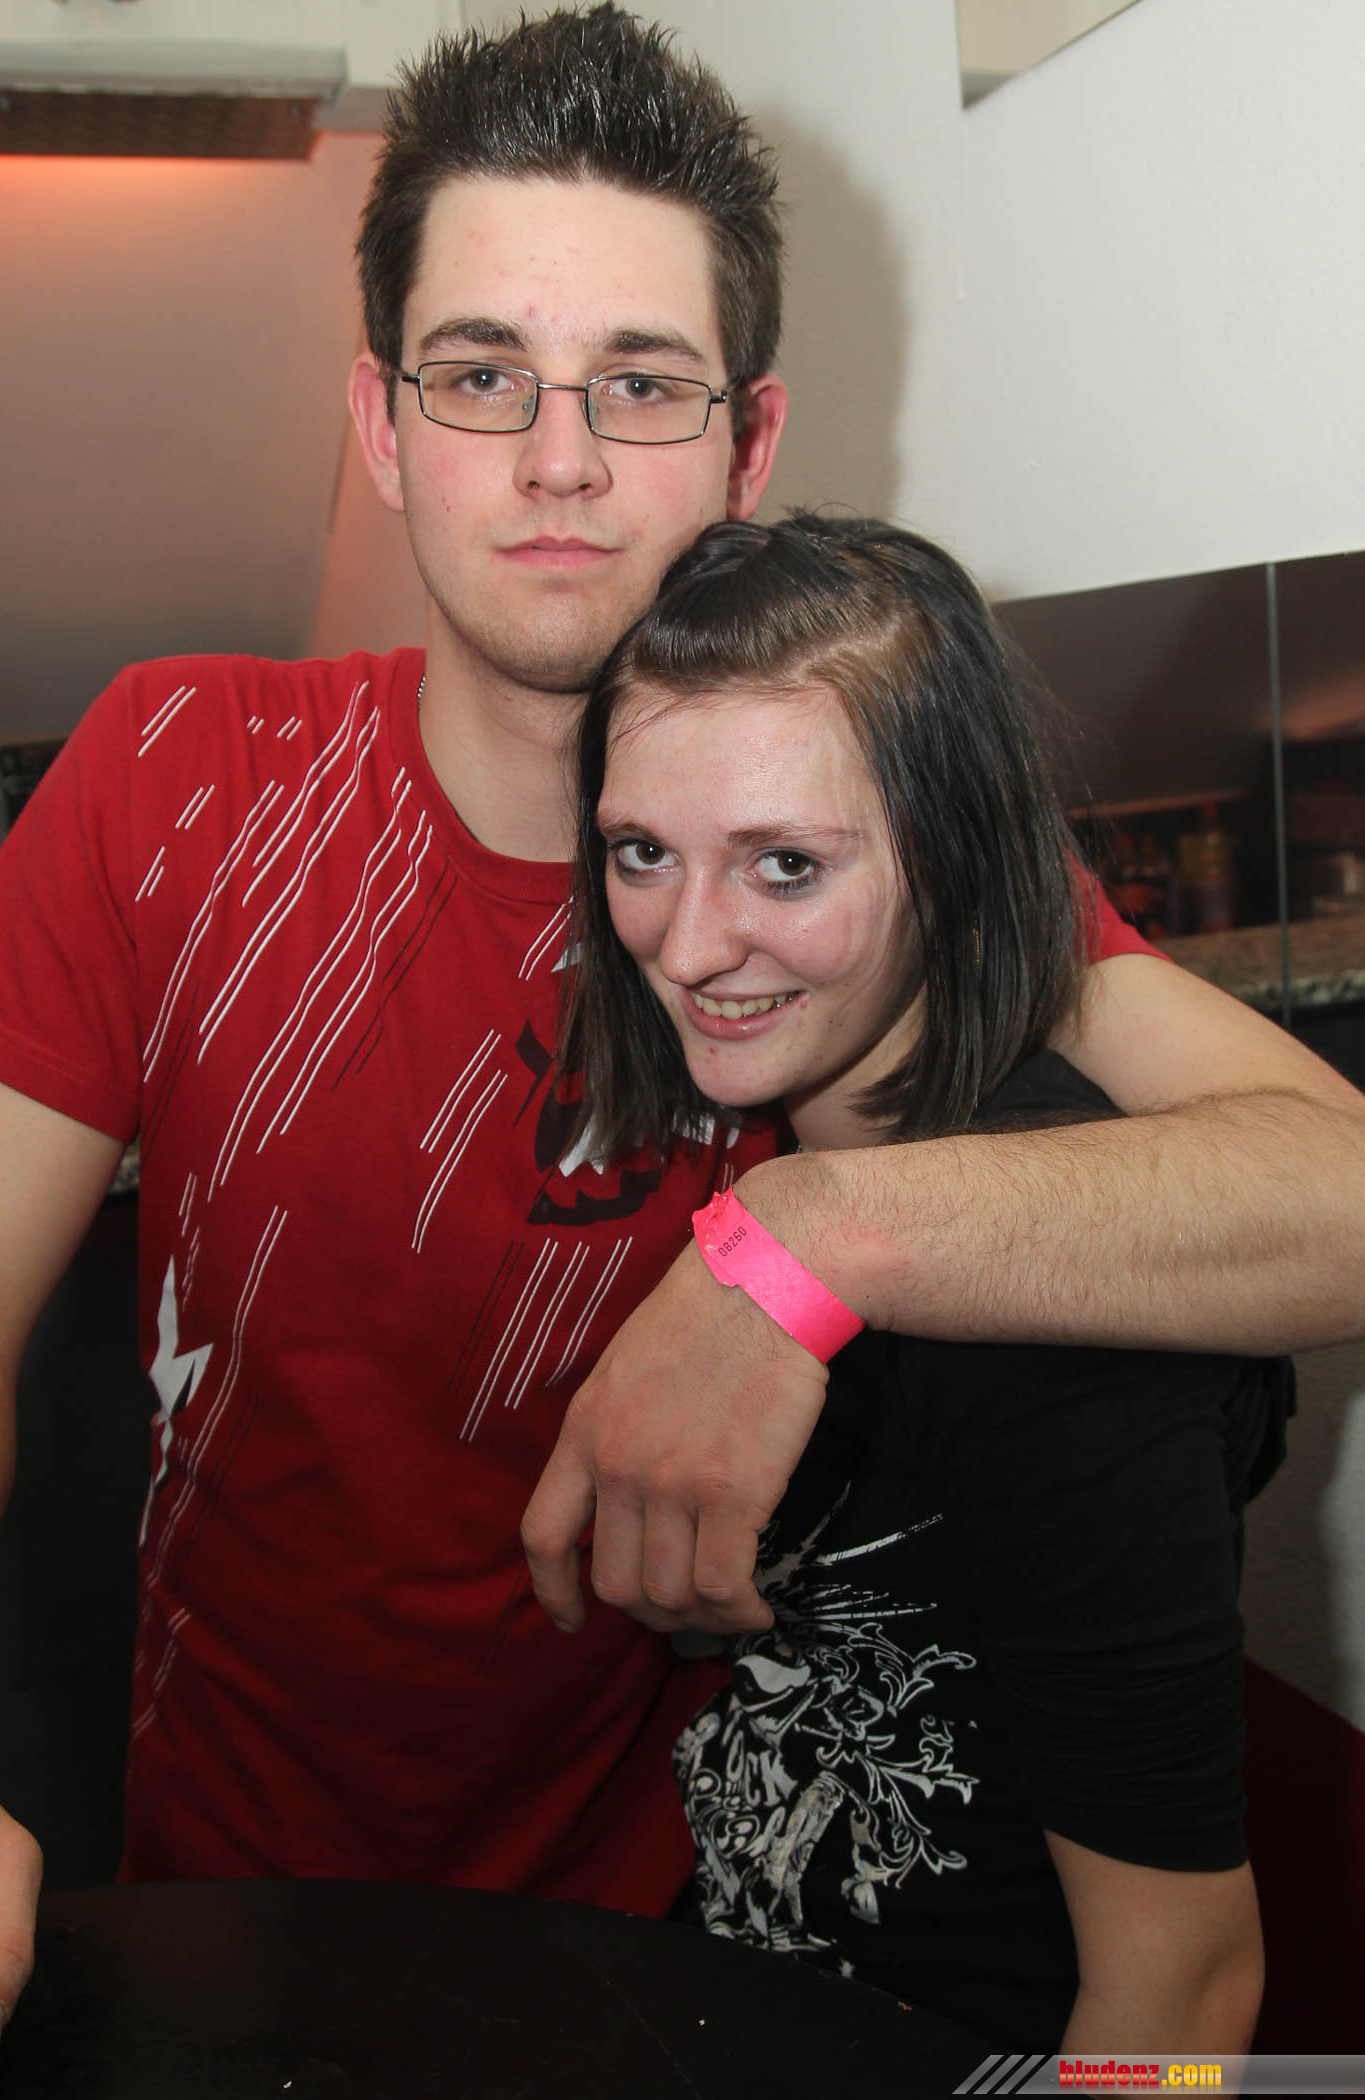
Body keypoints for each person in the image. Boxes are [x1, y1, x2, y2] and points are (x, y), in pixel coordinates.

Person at [0, 2, 1360, 2074]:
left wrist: (795, 1247)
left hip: (687, 1971)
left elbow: (1337, 1186)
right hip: (234, 1931)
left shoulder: (848, 868)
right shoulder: (178, 780)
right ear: (381, 425)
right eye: (480, 375)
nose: (558, 459)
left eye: (638, 383)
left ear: (748, 443)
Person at [565, 509, 1283, 2051]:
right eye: (643, 854)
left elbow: (1188, 1993)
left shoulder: (1053, 1309)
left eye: (786, 865)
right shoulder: (786, 1140)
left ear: (953, 862)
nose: (687, 948)